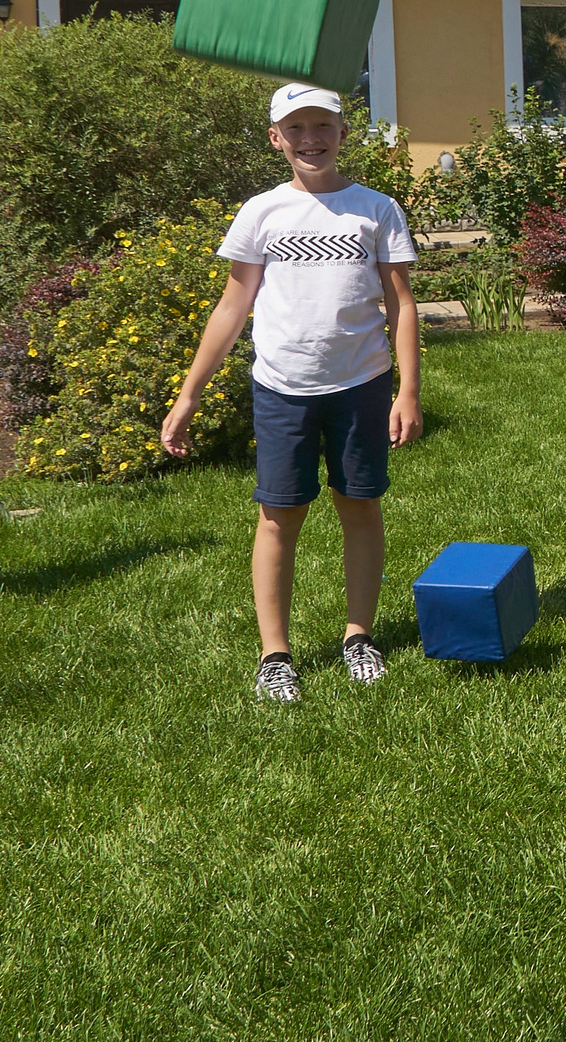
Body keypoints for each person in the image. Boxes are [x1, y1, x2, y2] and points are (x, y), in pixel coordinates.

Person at [162, 84, 422, 702]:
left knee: (358, 505)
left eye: (323, 126)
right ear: (277, 138)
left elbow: (401, 304)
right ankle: (274, 654)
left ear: (342, 133)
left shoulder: (375, 209)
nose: (311, 139)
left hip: (361, 384)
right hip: (282, 388)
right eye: (296, 129)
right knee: (279, 517)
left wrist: (407, 389)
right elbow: (233, 304)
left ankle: (359, 636)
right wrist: (189, 392)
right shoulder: (262, 212)